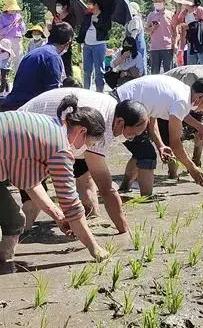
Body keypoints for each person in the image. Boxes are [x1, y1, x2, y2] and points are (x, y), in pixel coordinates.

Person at [0, 105, 111, 290]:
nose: (84, 151)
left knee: (13, 222)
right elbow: (72, 205)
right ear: (82, 131)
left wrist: (58, 216)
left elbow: (30, 183)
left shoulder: (52, 130)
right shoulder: (60, 147)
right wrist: (95, 248)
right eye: (88, 144)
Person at [18, 89, 148, 234]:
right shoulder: (100, 126)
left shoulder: (111, 111)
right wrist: (124, 231)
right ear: (120, 122)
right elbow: (106, 189)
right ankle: (13, 238)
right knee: (33, 204)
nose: (132, 139)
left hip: (64, 135)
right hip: (25, 135)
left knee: (86, 179)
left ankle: (92, 218)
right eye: (133, 134)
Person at [115, 75, 203, 196]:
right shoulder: (181, 101)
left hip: (124, 103)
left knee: (141, 151)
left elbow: (156, 115)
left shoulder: (183, 92)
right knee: (147, 154)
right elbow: (175, 143)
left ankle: (124, 189)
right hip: (123, 109)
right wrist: (192, 168)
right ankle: (147, 198)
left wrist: (200, 127)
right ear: (200, 97)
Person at [1, 22, 73, 110]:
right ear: (68, 43)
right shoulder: (53, 57)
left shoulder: (33, 53)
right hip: (27, 109)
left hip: (13, 105)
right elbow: (53, 94)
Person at [78, 0, 111, 91]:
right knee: (87, 70)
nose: (89, 5)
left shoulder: (104, 15)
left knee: (99, 70)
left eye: (90, 4)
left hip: (99, 45)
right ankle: (86, 90)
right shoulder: (87, 15)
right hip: (87, 45)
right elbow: (82, 29)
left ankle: (99, 91)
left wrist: (96, 21)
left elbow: (107, 28)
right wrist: (80, 42)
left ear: (96, 5)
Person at [174, 0, 203, 66]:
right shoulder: (184, 13)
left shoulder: (200, 10)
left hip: (202, 41)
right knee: (191, 65)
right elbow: (175, 23)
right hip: (190, 41)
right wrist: (178, 11)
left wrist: (190, 27)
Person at [146, 0, 174, 74]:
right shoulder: (151, 15)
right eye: (155, 0)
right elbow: (146, 31)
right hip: (154, 47)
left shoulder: (170, 14)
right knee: (154, 72)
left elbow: (175, 30)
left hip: (167, 47)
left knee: (169, 72)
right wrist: (153, 28)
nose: (157, 2)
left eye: (159, 0)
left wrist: (175, 44)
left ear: (164, 1)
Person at [51, 0, 78, 84]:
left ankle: (70, 83)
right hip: (55, 45)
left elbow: (70, 31)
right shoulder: (56, 16)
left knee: (67, 66)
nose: (57, 7)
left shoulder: (71, 17)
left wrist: (60, 23)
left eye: (59, 5)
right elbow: (53, 31)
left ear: (65, 6)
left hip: (66, 45)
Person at [0, 0, 26, 71]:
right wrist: (12, 25)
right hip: (6, 40)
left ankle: (18, 77)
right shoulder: (2, 17)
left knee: (18, 58)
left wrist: (21, 23)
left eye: (14, 8)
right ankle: (3, 77)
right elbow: (1, 31)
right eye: (11, 8)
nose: (13, 10)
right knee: (4, 58)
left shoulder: (18, 16)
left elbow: (23, 30)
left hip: (17, 39)